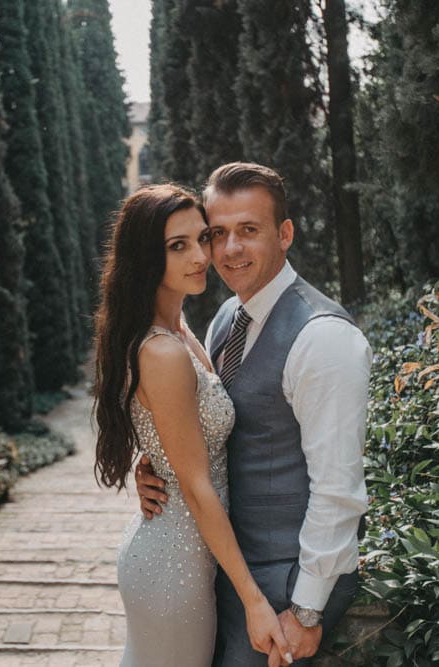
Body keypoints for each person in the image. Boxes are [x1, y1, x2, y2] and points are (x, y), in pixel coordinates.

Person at [135, 163, 371, 666]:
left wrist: (308, 610)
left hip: (289, 582)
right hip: (229, 572)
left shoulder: (323, 337)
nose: (229, 250)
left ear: (284, 234)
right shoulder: (225, 318)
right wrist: (158, 463)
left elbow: (338, 489)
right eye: (216, 234)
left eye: (249, 231)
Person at [93, 184, 294, 666]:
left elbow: (173, 432)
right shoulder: (162, 352)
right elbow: (198, 485)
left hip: (181, 555)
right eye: (177, 245)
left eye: (202, 238)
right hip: (173, 567)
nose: (202, 255)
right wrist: (254, 601)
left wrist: (152, 457)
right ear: (146, 258)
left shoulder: (178, 333)